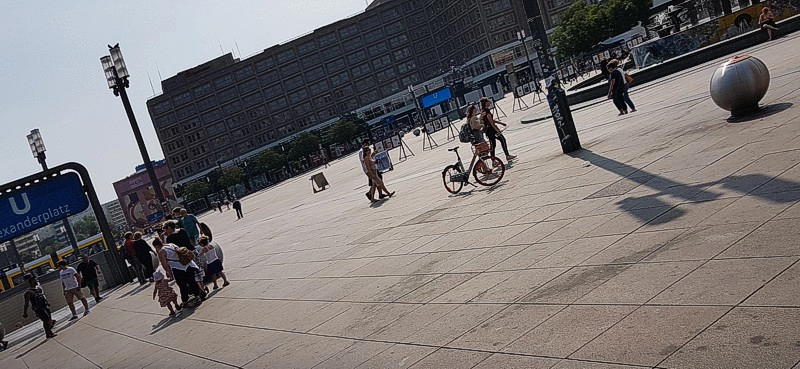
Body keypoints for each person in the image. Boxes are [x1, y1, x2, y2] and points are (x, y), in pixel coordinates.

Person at [153, 238, 205, 308]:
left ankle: (185, 301)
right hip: (188, 264)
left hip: (178, 268)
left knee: (182, 285)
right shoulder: (171, 245)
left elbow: (164, 265)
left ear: (156, 246)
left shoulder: (161, 252)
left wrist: (169, 273)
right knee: (192, 281)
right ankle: (198, 295)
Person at [22, 274, 57, 339]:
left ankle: (48, 334)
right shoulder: (28, 292)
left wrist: (47, 302)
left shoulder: (38, 288)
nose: (37, 281)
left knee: (48, 319)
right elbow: (26, 303)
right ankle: (50, 333)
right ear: (31, 282)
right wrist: (25, 312)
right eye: (35, 280)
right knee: (45, 319)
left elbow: (42, 296)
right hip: (38, 307)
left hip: (44, 305)